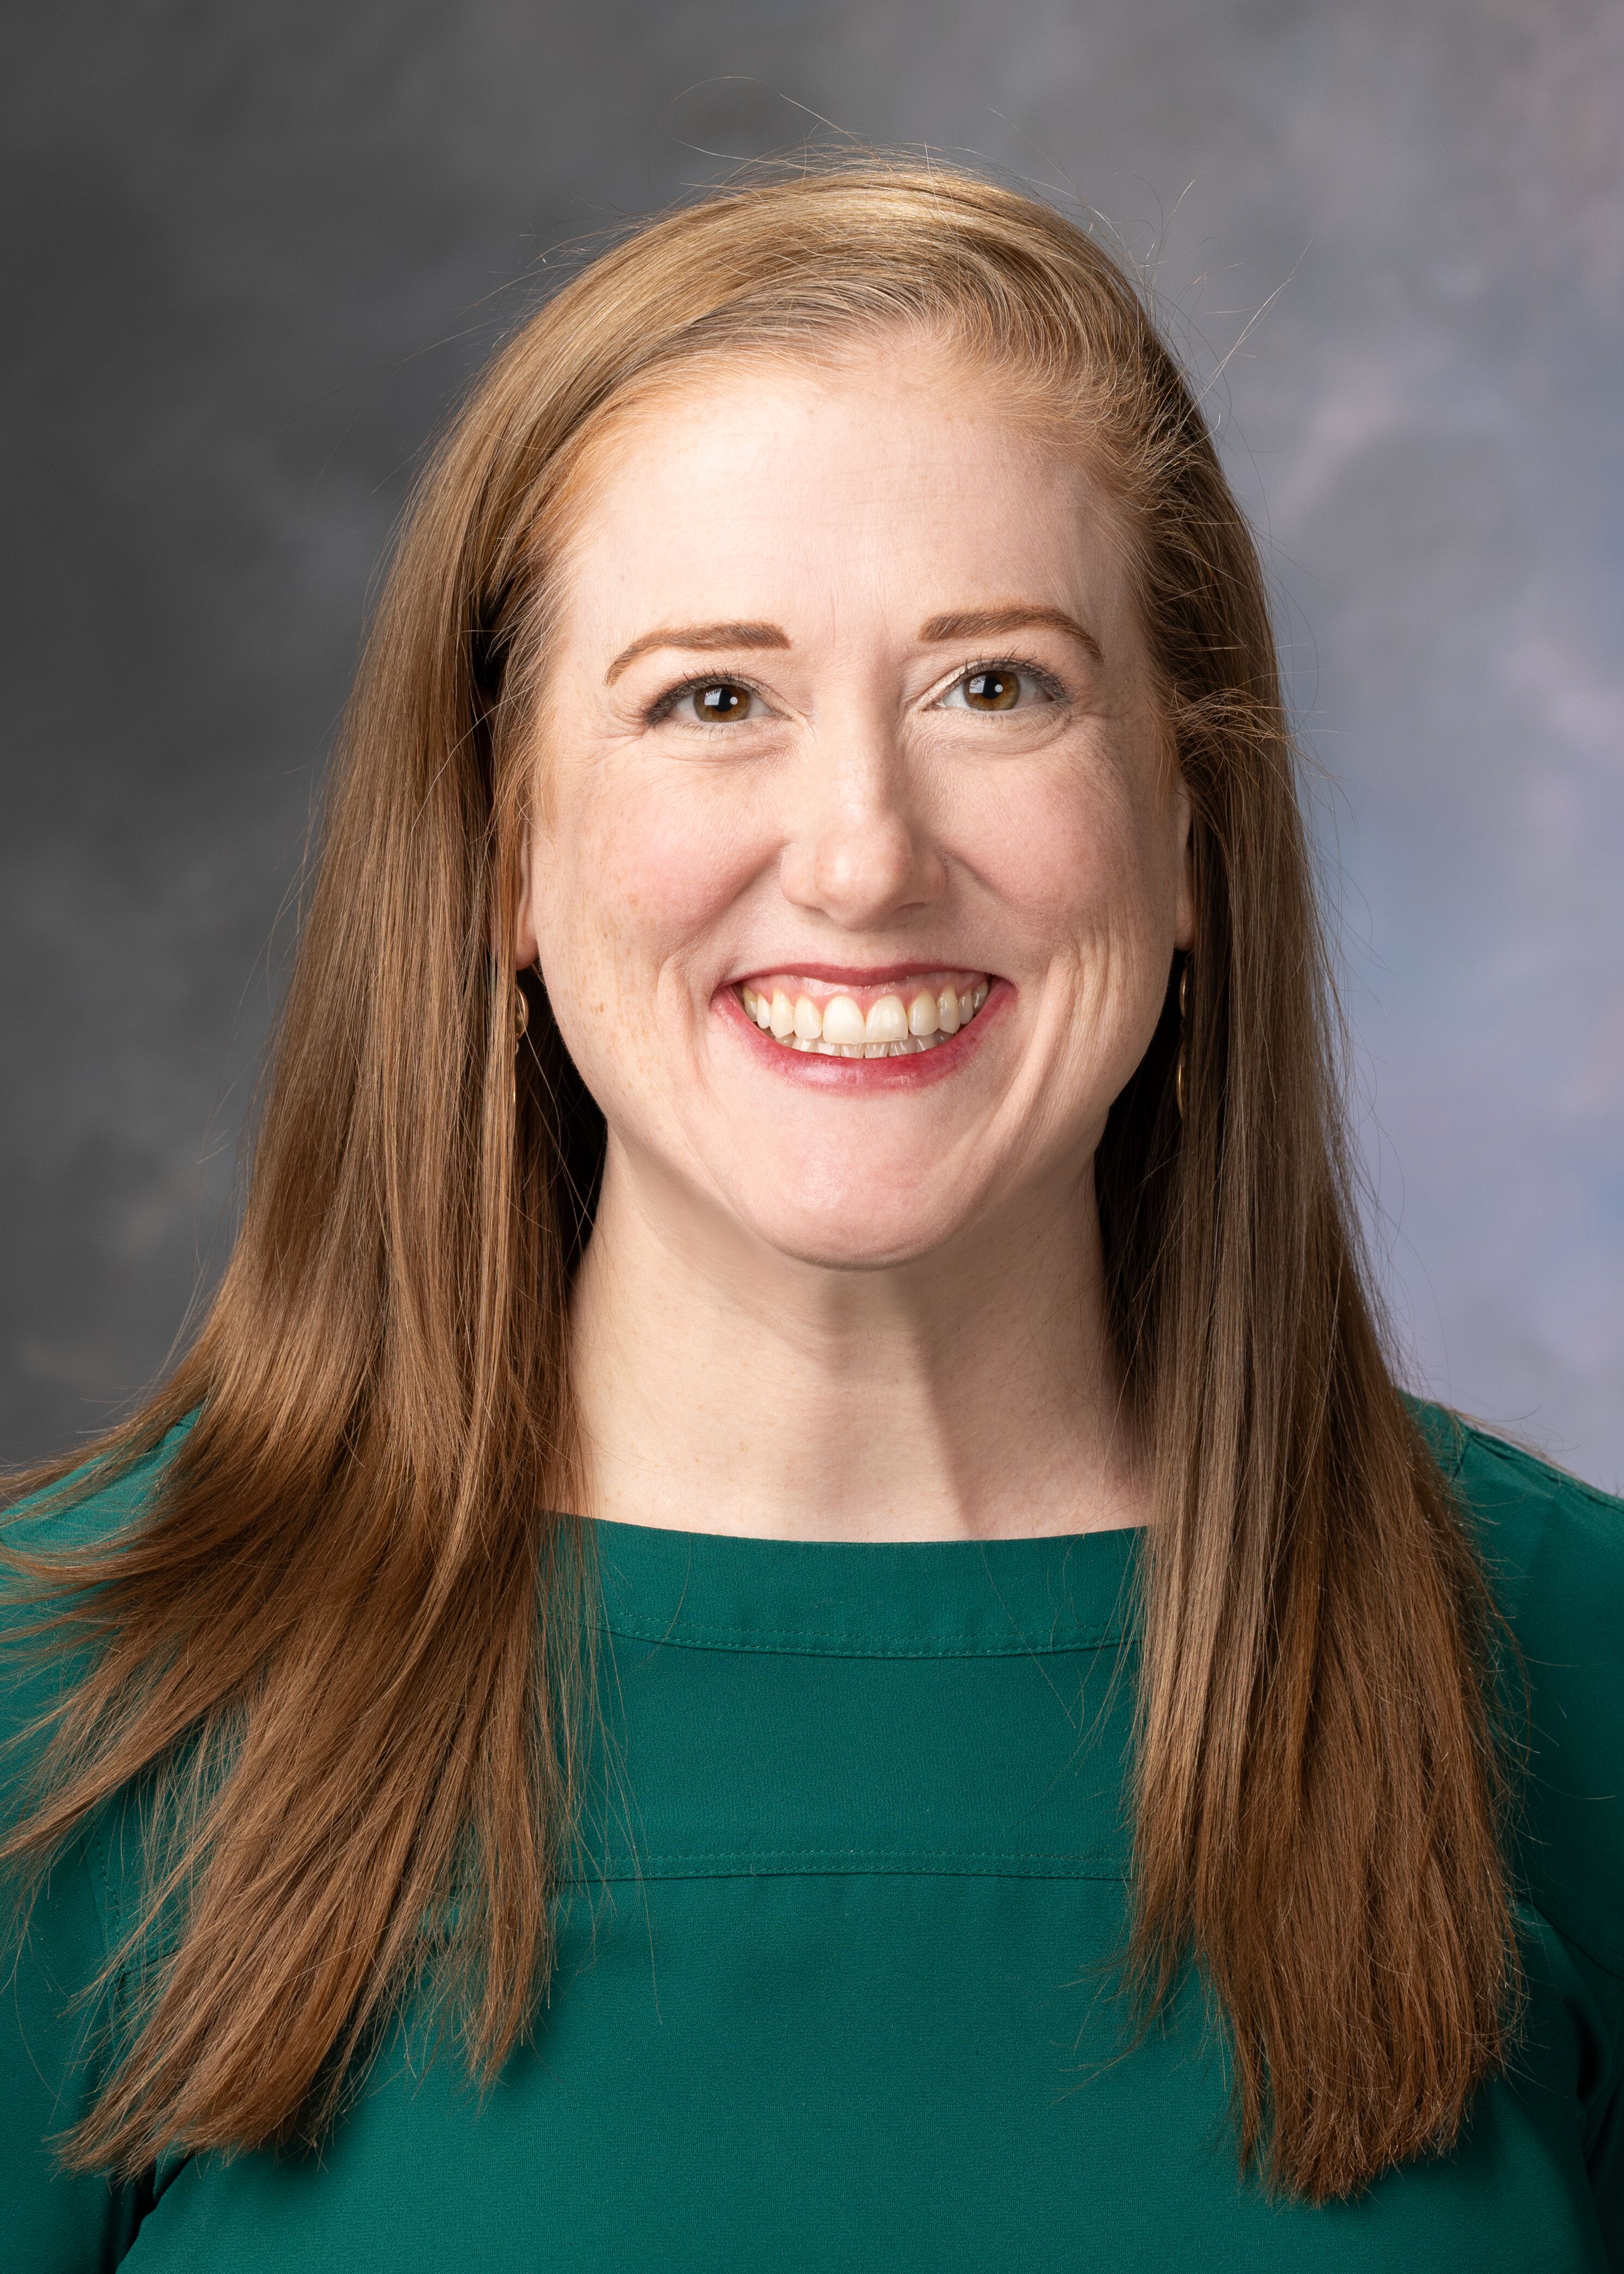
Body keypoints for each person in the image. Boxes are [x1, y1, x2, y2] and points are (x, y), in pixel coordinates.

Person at [3, 158, 1621, 2272]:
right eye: (711, 698)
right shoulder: (62, 1703)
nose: (862, 858)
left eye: (995, 687)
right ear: (500, 849)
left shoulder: (1579, 1677)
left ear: (1189, 826)